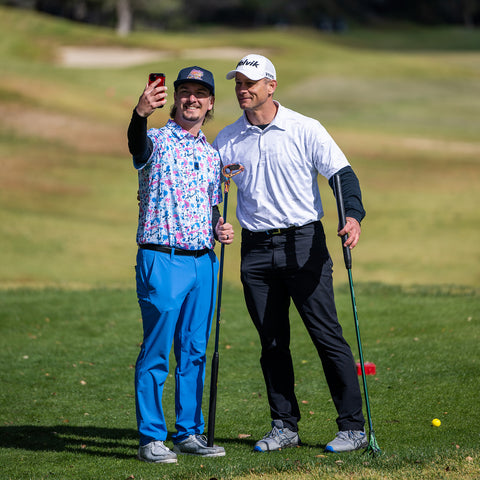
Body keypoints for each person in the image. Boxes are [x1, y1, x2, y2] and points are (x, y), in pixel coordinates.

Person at [213, 54, 367, 454]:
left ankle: (352, 427)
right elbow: (211, 195)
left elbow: (341, 175)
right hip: (256, 251)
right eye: (238, 84)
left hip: (304, 243)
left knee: (326, 335)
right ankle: (284, 425)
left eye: (251, 83)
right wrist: (216, 220)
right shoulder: (227, 139)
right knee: (272, 342)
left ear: (271, 86)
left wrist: (352, 216)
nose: (243, 90)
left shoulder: (304, 128)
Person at [127, 66, 234, 463]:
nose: (192, 99)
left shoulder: (211, 154)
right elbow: (136, 145)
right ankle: (151, 438)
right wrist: (140, 114)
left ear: (210, 103)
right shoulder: (155, 140)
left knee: (193, 350)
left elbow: (210, 205)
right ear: (175, 99)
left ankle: (189, 431)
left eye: (200, 94)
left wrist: (218, 225)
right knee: (157, 351)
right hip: (162, 258)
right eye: (185, 92)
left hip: (203, 263)